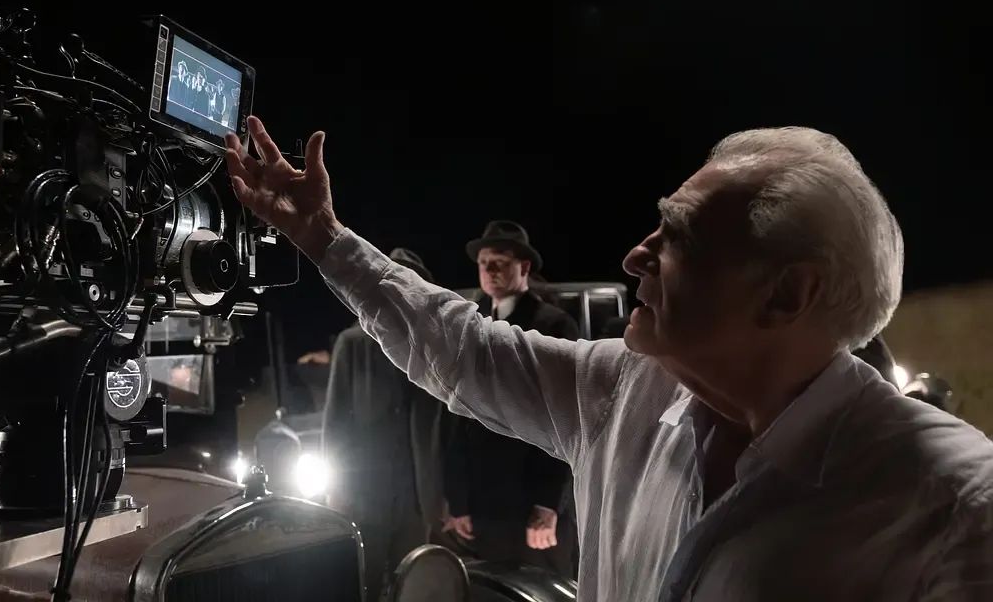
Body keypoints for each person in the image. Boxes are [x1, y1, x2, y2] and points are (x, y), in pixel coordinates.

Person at [224, 118, 993, 601]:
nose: (634, 256)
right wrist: (323, 238)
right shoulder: (622, 388)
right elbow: (459, 349)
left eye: (677, 236)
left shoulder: (957, 504)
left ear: (788, 294)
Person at [442, 220, 578, 576]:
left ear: (525, 267)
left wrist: (549, 502)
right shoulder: (468, 323)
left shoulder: (554, 325)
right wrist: (458, 501)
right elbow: (456, 416)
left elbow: (566, 417)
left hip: (531, 498)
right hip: (484, 504)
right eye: (484, 262)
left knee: (543, 591)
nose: (490, 270)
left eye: (500, 262)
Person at [322, 248, 447, 602]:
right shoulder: (353, 343)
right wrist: (337, 490)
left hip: (415, 499)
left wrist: (438, 497)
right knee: (364, 582)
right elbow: (335, 426)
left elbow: (439, 428)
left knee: (413, 584)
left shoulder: (429, 348)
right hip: (364, 495)